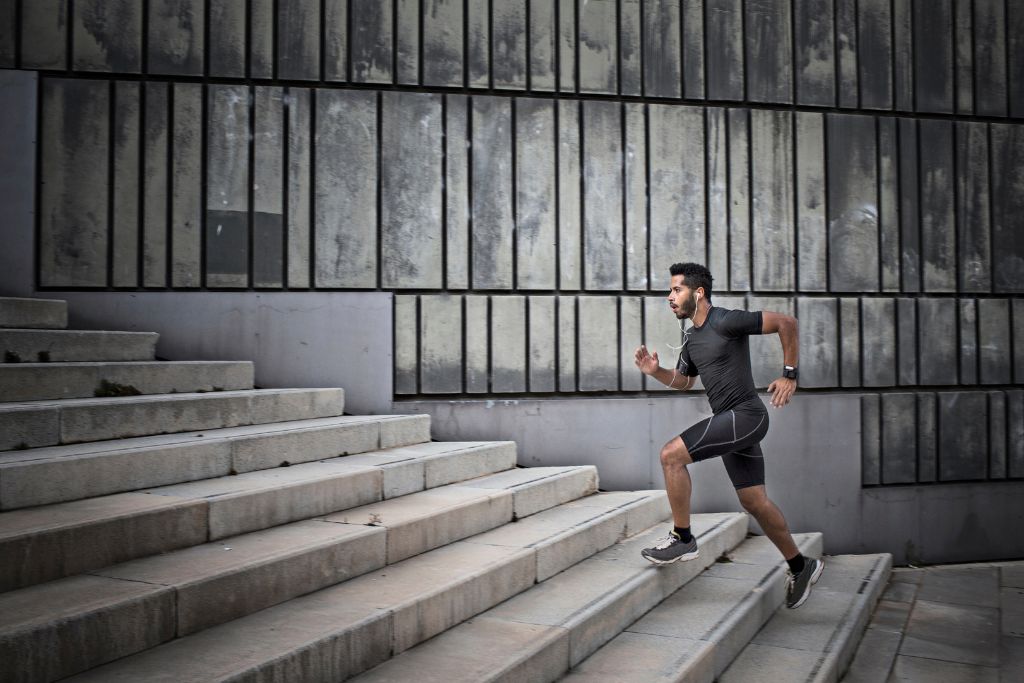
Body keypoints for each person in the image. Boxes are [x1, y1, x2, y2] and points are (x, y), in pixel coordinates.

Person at [633, 262, 823, 609]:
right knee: (753, 502)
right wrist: (655, 371)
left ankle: (683, 537)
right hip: (733, 423)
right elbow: (685, 382)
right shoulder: (691, 339)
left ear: (698, 292)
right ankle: (801, 565)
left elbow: (786, 323)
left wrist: (789, 375)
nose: (669, 297)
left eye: (676, 290)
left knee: (670, 455)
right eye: (670, 291)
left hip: (746, 416)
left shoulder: (726, 320)